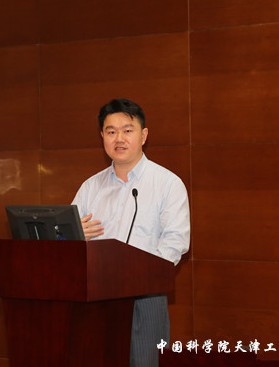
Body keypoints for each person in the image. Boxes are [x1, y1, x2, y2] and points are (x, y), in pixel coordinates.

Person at [71, 98, 190, 366]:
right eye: (111, 131)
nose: (119, 138)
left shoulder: (167, 184)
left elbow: (175, 242)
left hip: (145, 296)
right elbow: (67, 235)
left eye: (127, 130)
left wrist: (139, 275)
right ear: (102, 136)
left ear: (143, 136)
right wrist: (74, 237)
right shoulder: (90, 187)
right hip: (95, 297)